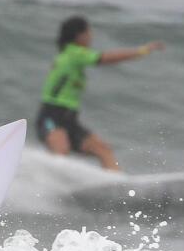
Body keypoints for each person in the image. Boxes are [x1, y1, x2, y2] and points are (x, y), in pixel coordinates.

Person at [37, 15, 165, 170]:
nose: (91, 36)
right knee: (61, 152)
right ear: (79, 35)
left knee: (104, 150)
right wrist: (142, 51)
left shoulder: (69, 55)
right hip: (52, 115)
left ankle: (118, 187)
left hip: (70, 119)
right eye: (88, 32)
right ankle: (50, 187)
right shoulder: (74, 54)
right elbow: (104, 58)